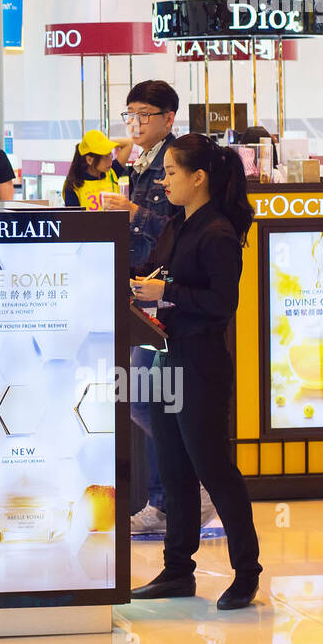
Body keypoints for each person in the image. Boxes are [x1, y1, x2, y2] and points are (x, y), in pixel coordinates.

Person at [129, 135, 262, 610]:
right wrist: (142, 286)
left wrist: (167, 292)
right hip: (166, 355)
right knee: (174, 468)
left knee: (213, 470)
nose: (163, 181)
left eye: (170, 173)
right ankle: (177, 570)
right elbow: (158, 273)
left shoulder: (219, 233)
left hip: (200, 365)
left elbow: (222, 304)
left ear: (197, 177)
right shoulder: (179, 224)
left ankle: (247, 571)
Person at [99, 80, 213, 536]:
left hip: (168, 295)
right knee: (147, 399)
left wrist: (134, 215)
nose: (135, 123)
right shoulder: (137, 163)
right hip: (142, 289)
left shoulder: (178, 160)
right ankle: (166, 502)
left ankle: (191, 489)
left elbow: (181, 226)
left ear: (168, 117)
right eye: (130, 115)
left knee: (148, 397)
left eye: (144, 114)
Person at [62, 130, 133, 209]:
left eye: (110, 155)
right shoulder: (73, 186)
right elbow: (73, 219)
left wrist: (104, 143)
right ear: (89, 160)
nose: (110, 161)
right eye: (105, 157)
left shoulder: (112, 172)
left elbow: (129, 143)